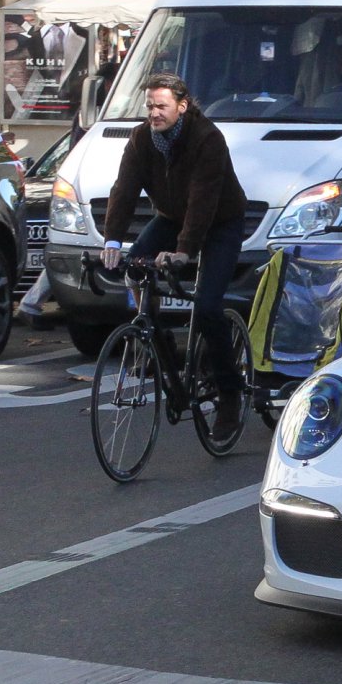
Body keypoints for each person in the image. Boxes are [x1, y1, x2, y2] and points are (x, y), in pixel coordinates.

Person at [101, 73, 250, 440]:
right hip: (171, 217)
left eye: (161, 105)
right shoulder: (141, 139)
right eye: (149, 105)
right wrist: (113, 241)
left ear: (182, 106)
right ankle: (159, 342)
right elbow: (124, 189)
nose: (153, 112)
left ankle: (229, 393)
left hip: (220, 221)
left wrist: (185, 252)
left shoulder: (207, 139)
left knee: (209, 305)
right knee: (137, 269)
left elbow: (203, 201)